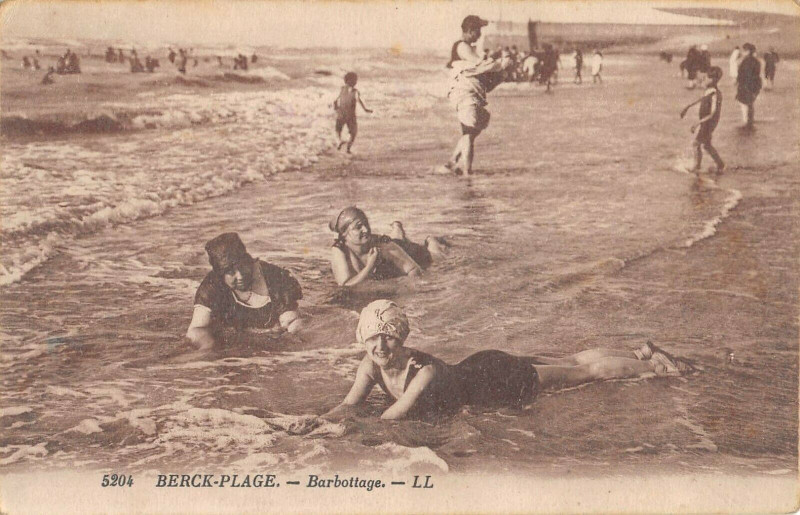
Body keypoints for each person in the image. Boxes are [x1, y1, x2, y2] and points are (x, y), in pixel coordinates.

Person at [324, 300, 693, 421]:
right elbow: (348, 405)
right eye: (373, 337)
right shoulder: (369, 365)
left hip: (498, 381)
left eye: (389, 335)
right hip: (479, 366)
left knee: (583, 373)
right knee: (568, 360)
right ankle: (639, 352)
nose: (380, 345)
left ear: (402, 337)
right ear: (363, 339)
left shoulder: (424, 371)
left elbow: (390, 420)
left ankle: (654, 366)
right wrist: (318, 422)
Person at [186, 233, 303, 351]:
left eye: (242, 267)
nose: (240, 276)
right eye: (231, 272)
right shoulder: (211, 286)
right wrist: (208, 346)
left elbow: (292, 323)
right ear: (220, 275)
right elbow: (196, 329)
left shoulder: (275, 277)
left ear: (249, 261)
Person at [440, 15, 511, 176]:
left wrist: (497, 64)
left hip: (468, 92)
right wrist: (500, 64)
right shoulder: (462, 47)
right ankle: (467, 172)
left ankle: (452, 162)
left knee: (472, 129)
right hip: (464, 93)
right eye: (478, 31)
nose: (479, 35)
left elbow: (479, 67)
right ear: (471, 30)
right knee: (468, 132)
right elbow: (480, 65)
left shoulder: (465, 47)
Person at [328, 207, 446, 287]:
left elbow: (414, 269)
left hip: (406, 251)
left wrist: (409, 287)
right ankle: (397, 229)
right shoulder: (340, 250)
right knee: (397, 239)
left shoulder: (383, 244)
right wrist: (370, 265)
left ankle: (431, 240)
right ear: (344, 234)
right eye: (358, 227)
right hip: (395, 245)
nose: (366, 229)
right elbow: (345, 285)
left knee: (436, 257)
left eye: (366, 224)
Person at [680, 66, 725, 173]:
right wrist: (688, 107)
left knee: (696, 144)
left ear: (713, 80)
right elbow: (702, 99)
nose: (703, 80)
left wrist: (697, 123)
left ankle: (697, 166)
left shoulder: (715, 93)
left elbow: (713, 112)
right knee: (707, 145)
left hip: (709, 122)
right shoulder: (708, 90)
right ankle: (720, 164)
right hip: (705, 121)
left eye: (706, 78)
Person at [333, 72, 372, 153]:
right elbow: (359, 100)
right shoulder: (355, 91)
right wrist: (365, 109)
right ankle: (348, 149)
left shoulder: (341, 89)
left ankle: (339, 141)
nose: (356, 82)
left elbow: (335, 100)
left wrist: (336, 109)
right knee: (353, 132)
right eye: (354, 80)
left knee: (338, 129)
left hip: (341, 113)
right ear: (349, 80)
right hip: (350, 115)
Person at [736, 43, 761, 128]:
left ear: (747, 51)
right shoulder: (756, 61)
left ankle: (746, 121)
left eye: (744, 50)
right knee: (750, 103)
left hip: (746, 85)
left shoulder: (746, 61)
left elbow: (744, 75)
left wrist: (740, 83)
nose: (742, 52)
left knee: (744, 103)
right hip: (754, 85)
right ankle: (750, 120)